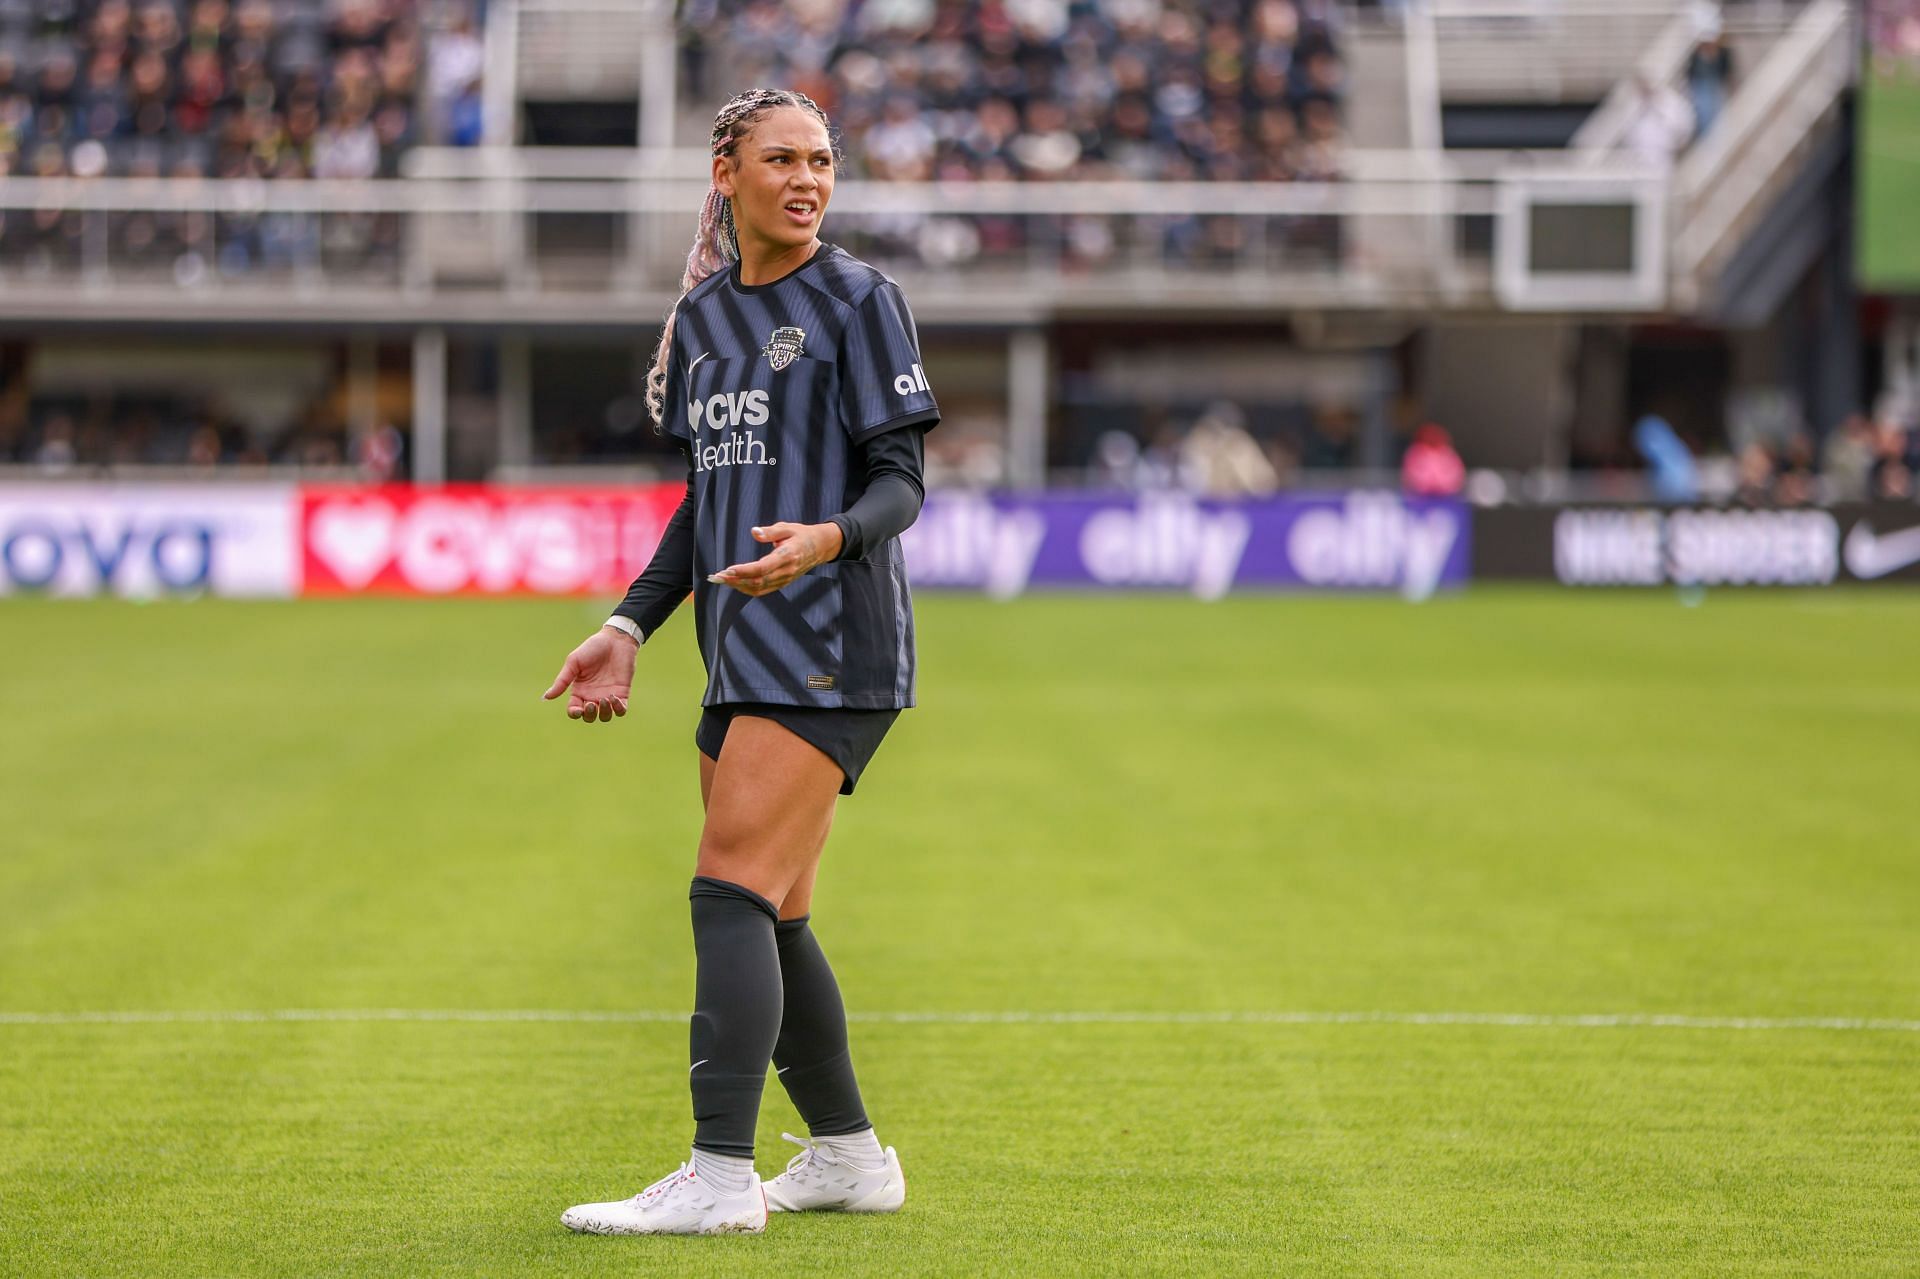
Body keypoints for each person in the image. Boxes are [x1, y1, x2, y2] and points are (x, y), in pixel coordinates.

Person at [541, 88, 937, 1237]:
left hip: (832, 645)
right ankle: (850, 1156)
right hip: (740, 650)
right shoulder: (707, 316)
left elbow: (901, 484)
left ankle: (719, 1178)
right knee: (774, 910)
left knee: (726, 888)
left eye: (821, 159)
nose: (807, 178)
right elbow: (701, 507)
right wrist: (624, 627)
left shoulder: (864, 301)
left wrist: (827, 538)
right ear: (727, 172)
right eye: (782, 159)